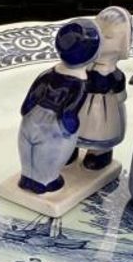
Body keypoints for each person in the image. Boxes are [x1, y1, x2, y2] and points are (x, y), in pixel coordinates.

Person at [15, 19, 99, 195]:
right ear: (92, 56)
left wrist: (27, 111)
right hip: (54, 124)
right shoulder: (80, 83)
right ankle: (45, 181)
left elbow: (30, 98)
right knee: (50, 155)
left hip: (32, 118)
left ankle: (27, 178)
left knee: (28, 147)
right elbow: (71, 110)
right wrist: (70, 127)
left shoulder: (47, 74)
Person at [76, 6, 133, 171]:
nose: (100, 39)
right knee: (72, 128)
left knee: (102, 130)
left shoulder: (115, 75)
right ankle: (70, 149)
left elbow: (121, 96)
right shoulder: (83, 66)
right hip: (80, 106)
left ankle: (100, 154)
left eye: (107, 37)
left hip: (105, 111)